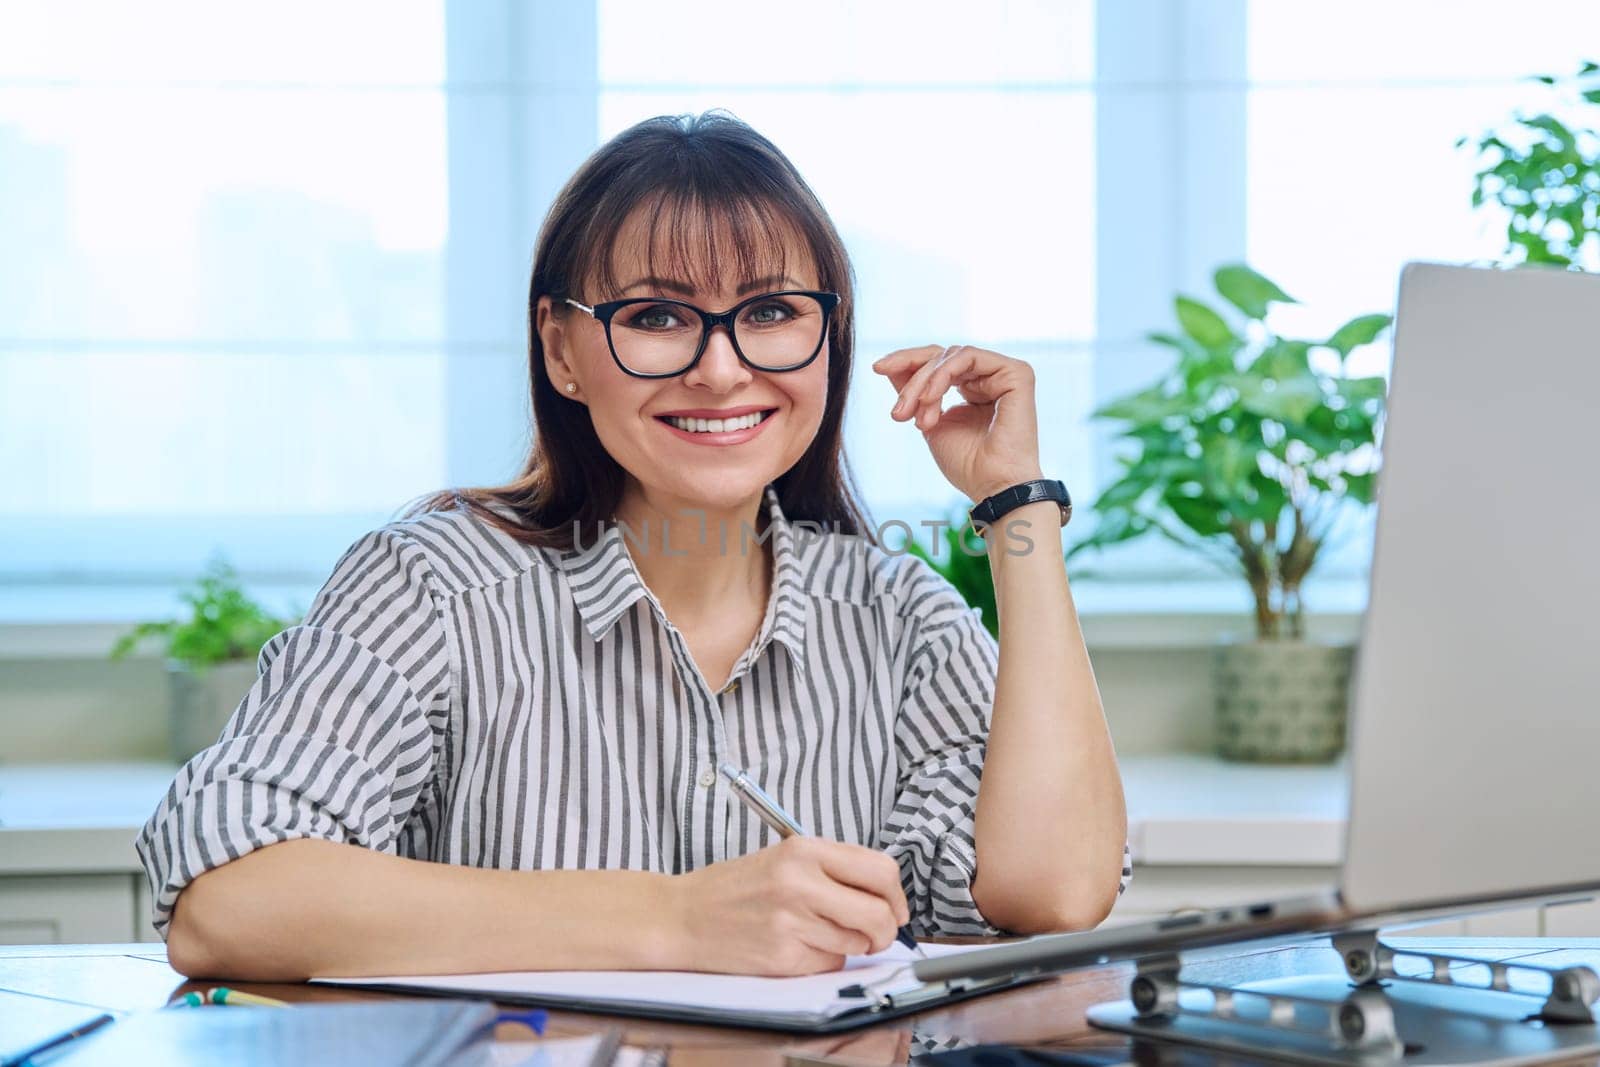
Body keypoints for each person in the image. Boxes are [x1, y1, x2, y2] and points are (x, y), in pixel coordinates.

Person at [136, 111, 1131, 982]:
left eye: (772, 312)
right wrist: (677, 918)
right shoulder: (434, 585)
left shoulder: (896, 614)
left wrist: (1018, 502)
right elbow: (227, 899)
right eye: (655, 316)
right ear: (563, 350)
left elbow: (1052, 889)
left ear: (828, 338)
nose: (720, 368)